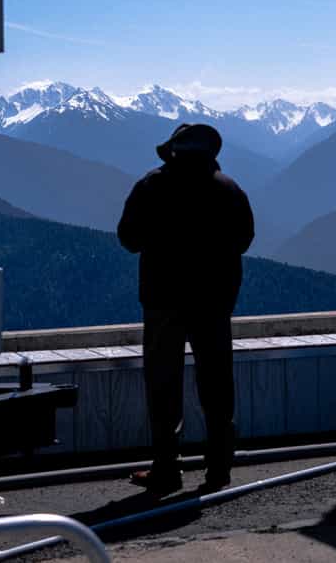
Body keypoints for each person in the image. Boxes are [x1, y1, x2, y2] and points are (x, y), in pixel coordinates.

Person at [117, 122, 255, 496]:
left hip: (163, 300)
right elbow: (244, 240)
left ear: (173, 150)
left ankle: (166, 469)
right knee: (216, 382)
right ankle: (219, 469)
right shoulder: (229, 189)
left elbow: (128, 238)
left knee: (163, 383)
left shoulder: (151, 185)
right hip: (214, 300)